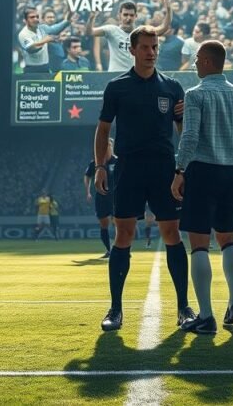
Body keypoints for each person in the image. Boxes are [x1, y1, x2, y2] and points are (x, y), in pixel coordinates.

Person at [94, 27, 194, 332]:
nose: (151, 52)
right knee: (123, 235)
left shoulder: (173, 87)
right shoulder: (117, 87)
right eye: (146, 47)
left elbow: (183, 131)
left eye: (155, 47)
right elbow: (102, 130)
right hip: (128, 168)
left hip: (165, 168)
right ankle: (115, 309)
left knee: (172, 235)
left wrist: (184, 169)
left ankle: (183, 308)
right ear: (133, 49)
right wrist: (100, 166)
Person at [172, 40, 233, 334]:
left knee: (199, 244)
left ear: (210, 62)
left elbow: (188, 138)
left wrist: (179, 170)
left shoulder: (196, 95)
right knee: (229, 239)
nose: (196, 63)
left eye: (198, 58)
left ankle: (206, 315)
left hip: (202, 171)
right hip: (231, 174)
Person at [86, 0, 171, 73]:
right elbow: (90, 32)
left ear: (136, 16)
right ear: (119, 16)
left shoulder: (141, 31)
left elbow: (163, 28)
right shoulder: (111, 30)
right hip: (116, 76)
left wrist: (169, 10)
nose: (128, 18)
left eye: (131, 15)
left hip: (135, 76)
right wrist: (91, 18)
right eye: (125, 15)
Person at [85, 139, 117, 259]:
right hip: (101, 197)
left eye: (108, 145)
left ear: (111, 147)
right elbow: (87, 176)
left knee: (117, 223)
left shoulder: (117, 161)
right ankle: (109, 250)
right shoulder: (96, 162)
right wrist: (88, 192)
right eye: (104, 145)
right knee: (104, 224)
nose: (106, 148)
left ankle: (121, 249)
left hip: (115, 197)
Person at [17, 8, 74, 74]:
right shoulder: (23, 34)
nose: (35, 19)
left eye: (37, 17)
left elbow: (55, 29)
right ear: (25, 20)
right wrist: (45, 40)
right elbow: (32, 49)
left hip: (45, 67)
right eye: (32, 17)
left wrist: (67, 20)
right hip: (31, 68)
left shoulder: (42, 28)